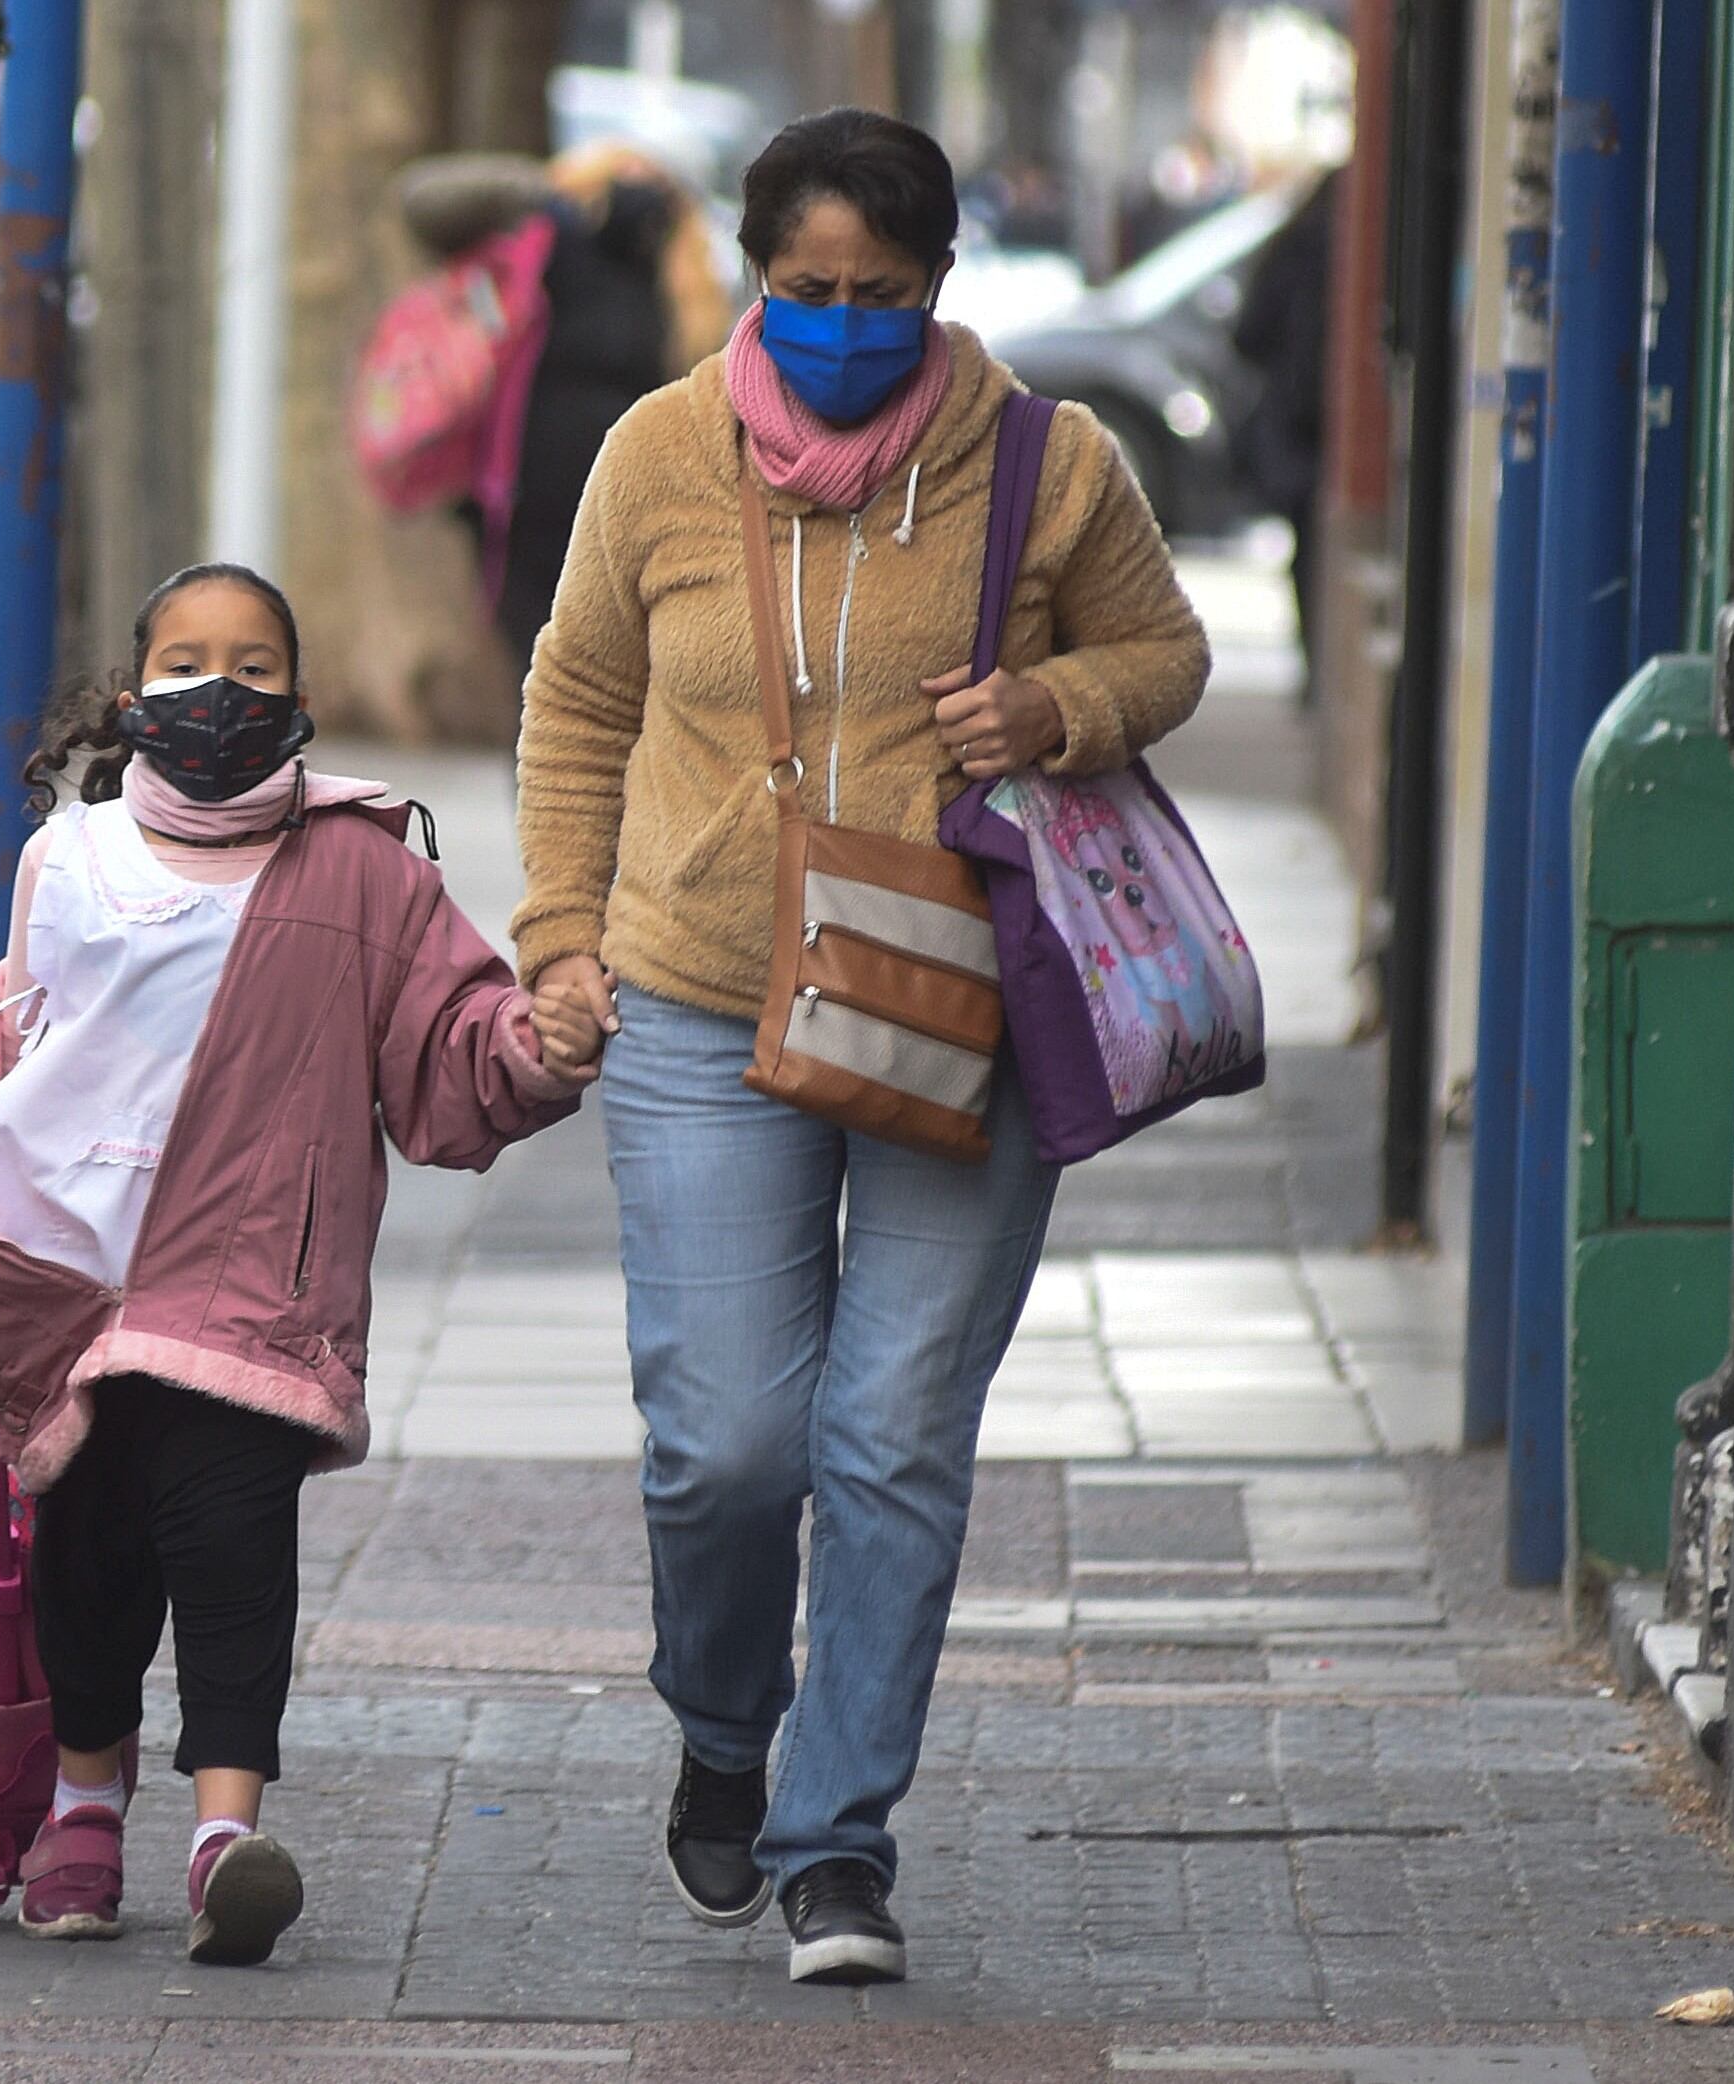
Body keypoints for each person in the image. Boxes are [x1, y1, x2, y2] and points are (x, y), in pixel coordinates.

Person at [512, 109, 1212, 1986]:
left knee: (893, 1432)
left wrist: (1053, 703)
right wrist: (561, 937)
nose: (837, 324)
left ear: (939, 284)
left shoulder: (1049, 467)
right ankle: (726, 1730)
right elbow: (575, 703)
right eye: (804, 291)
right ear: (755, 276)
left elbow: (1166, 657)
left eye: (876, 296)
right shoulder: (655, 455)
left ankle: (837, 1840)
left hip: (956, 1000)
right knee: (729, 1441)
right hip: (693, 995)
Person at [0, 563, 600, 1966]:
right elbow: (0, 1048)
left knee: (229, 1554)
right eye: (191, 660)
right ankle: (81, 1803)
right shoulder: (64, 861)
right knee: (81, 1571)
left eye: (257, 668)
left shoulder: (369, 875)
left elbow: (447, 1058)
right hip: (69, 1300)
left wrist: (540, 1047)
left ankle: (225, 1834)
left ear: (302, 703)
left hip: (251, 1290)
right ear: (132, 696)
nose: (223, 691)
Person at [397, 143, 734, 672]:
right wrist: (543, 192)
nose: (633, 200)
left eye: (650, 191)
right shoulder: (547, 247)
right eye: (619, 183)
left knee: (591, 669)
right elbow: (423, 202)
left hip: (620, 507)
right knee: (549, 664)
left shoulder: (679, 284)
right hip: (529, 505)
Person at [1230, 168, 1339, 694]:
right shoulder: (1337, 255)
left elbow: (1247, 334)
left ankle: (1314, 665)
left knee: (1305, 547)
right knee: (1314, 545)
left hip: (1298, 424)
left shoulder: (1293, 247)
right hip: (1313, 424)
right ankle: (1318, 666)